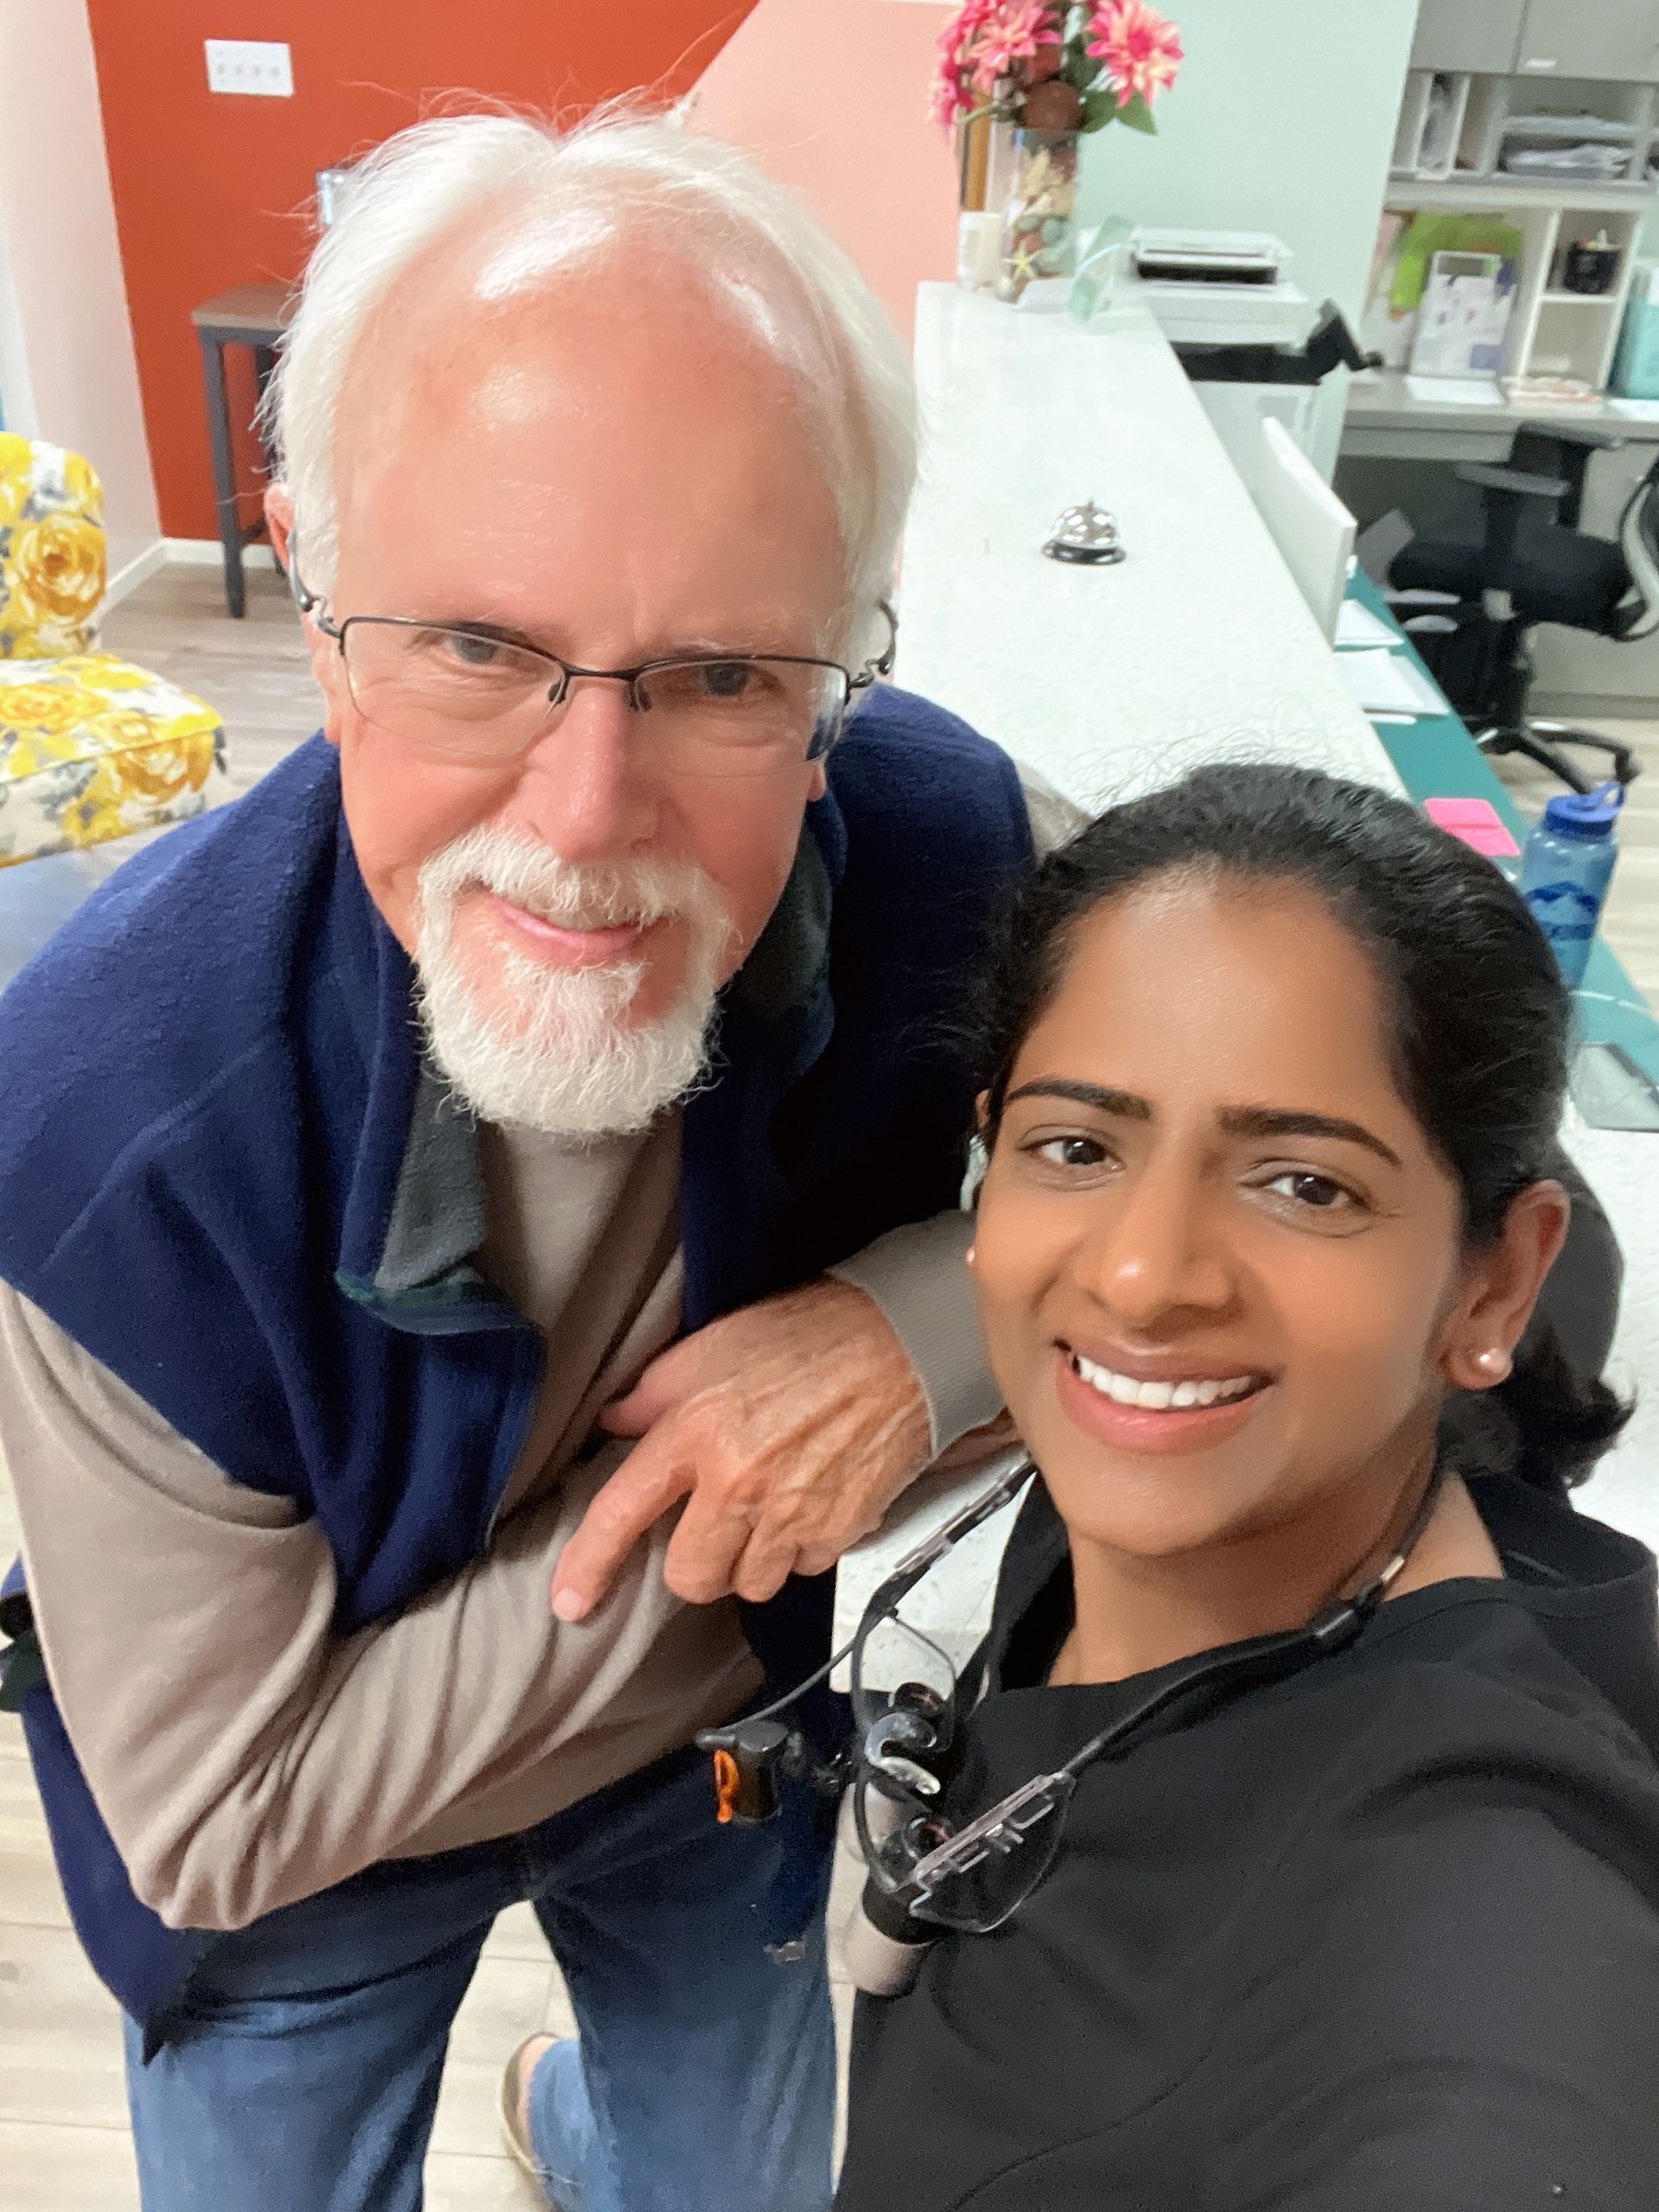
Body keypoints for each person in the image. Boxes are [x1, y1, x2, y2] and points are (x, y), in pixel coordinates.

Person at [0, 109, 1067, 2212]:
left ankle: (581, 2123)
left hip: (716, 1774)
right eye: (478, 644)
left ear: (853, 655)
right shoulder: (96, 1125)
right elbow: (217, 1815)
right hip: (288, 1896)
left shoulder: (960, 852)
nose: (587, 817)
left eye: (723, 674)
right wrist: (754, 1498)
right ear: (315, 598)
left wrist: (910, 1335)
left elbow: (1271, 1153)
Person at [836, 763, 1659, 2210]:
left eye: (1303, 1184)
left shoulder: (1475, 1915)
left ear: (1497, 1277)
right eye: (1076, 1148)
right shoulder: (1144, 1505)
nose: (1144, 1278)